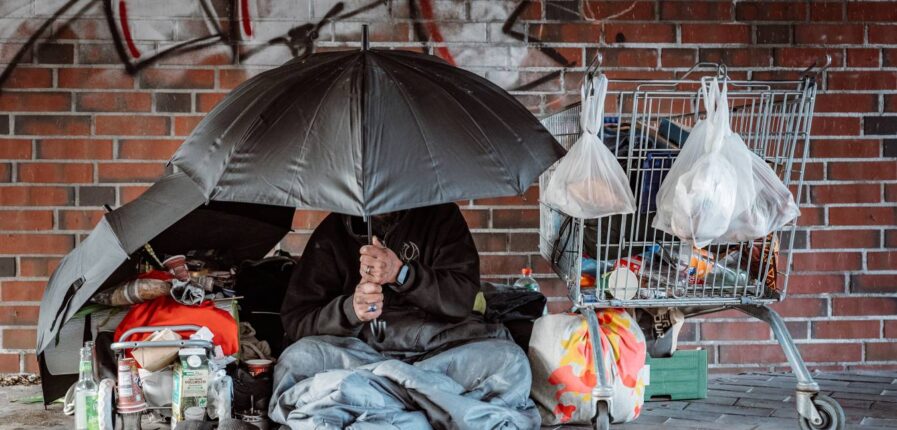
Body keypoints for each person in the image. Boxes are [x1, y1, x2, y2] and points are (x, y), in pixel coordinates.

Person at [271, 203, 540, 429]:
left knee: (510, 362)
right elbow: (297, 320)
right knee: (297, 359)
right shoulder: (332, 233)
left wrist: (402, 274)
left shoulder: (442, 217)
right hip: (364, 355)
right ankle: (433, 406)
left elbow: (462, 300)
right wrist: (350, 309)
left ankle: (379, 404)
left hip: (440, 352)